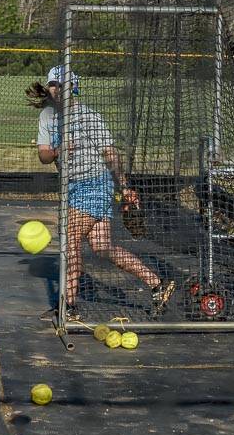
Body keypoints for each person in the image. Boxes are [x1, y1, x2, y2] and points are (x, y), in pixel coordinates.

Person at [28, 65, 175, 320]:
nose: (57, 89)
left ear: (73, 88)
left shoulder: (89, 117)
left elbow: (110, 153)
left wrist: (125, 187)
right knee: (102, 247)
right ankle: (157, 284)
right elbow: (43, 155)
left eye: (62, 84)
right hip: (71, 187)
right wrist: (58, 150)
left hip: (95, 183)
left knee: (70, 241)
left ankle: (69, 307)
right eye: (53, 84)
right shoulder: (47, 117)